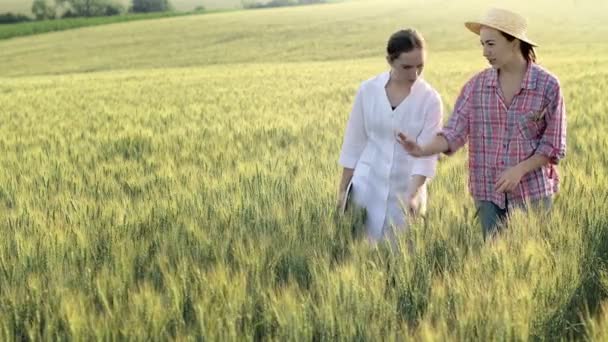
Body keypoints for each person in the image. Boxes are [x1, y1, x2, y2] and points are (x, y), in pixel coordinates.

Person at [397, 8, 566, 240]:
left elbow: (553, 145)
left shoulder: (548, 86)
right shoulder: (475, 87)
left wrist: (520, 169)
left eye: (491, 44)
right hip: (487, 194)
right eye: (482, 45)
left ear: (514, 41)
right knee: (493, 265)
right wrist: (422, 149)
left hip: (532, 193)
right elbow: (453, 132)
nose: (485, 52)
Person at [338, 29, 443, 243]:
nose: (414, 74)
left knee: (402, 255)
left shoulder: (430, 100)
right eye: (407, 67)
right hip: (366, 188)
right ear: (389, 60)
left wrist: (412, 197)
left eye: (420, 66)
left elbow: (427, 156)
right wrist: (342, 192)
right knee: (362, 253)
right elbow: (353, 144)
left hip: (406, 192)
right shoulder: (367, 91)